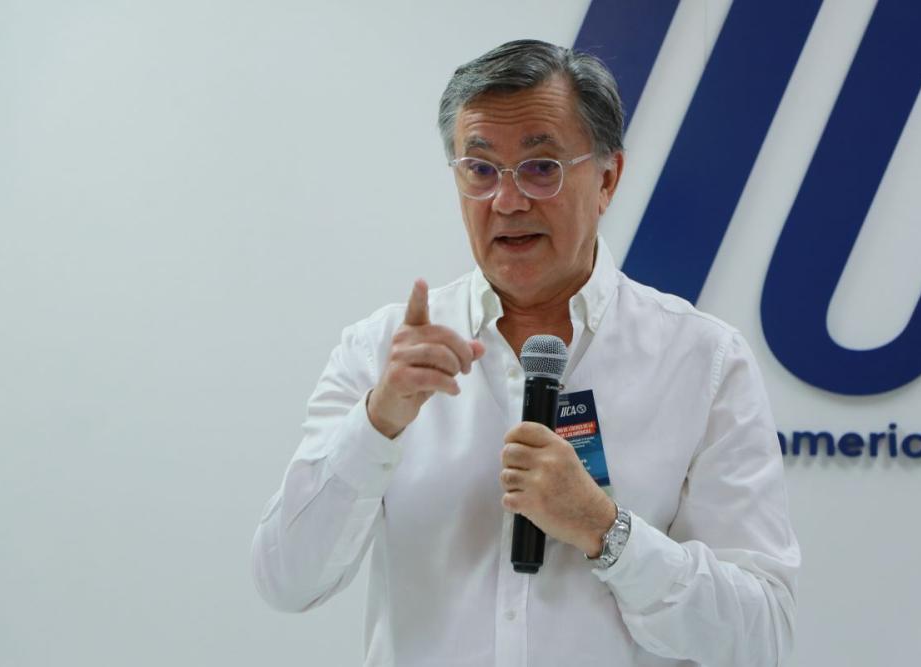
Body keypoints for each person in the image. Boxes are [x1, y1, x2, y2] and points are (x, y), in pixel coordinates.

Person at [251, 39, 800, 666]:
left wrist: (605, 531)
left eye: (541, 167)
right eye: (480, 170)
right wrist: (376, 424)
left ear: (608, 179)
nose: (507, 201)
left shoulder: (704, 362)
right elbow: (285, 581)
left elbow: (761, 639)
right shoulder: (381, 353)